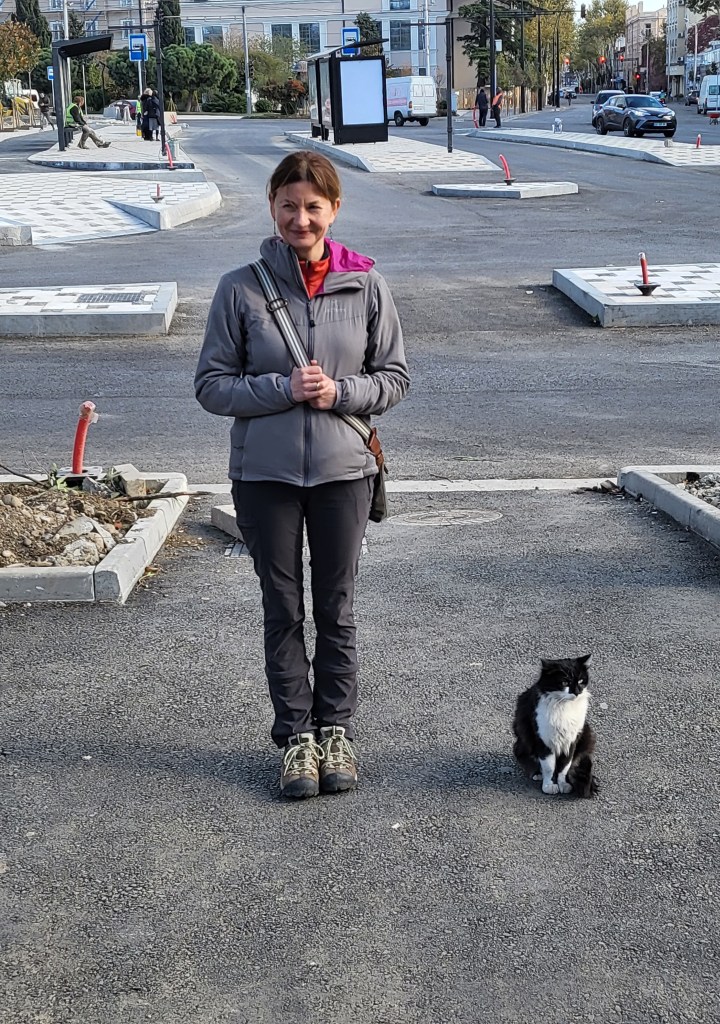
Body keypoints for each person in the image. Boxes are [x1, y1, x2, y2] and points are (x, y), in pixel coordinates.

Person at [195, 151, 410, 800]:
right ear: (272, 207)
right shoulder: (240, 288)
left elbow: (394, 379)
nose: (300, 218)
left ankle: (335, 731)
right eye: (288, 205)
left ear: (334, 210)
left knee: (336, 608)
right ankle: (296, 737)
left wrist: (339, 392)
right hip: (265, 476)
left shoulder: (367, 286)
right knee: (283, 607)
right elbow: (211, 385)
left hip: (345, 473)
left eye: (313, 206)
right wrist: (281, 388)